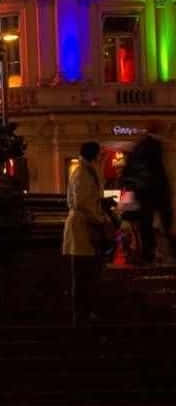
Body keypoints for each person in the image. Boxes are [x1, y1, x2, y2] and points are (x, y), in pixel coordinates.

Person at [63, 141, 113, 326]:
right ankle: (81, 314)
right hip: (83, 228)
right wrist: (100, 219)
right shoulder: (83, 172)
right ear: (93, 154)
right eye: (100, 154)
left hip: (85, 227)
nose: (101, 157)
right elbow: (82, 202)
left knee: (86, 272)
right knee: (82, 273)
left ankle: (85, 311)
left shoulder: (86, 171)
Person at [123, 126, 172, 266]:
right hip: (149, 197)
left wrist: (125, 204)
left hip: (139, 198)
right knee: (148, 227)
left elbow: (127, 178)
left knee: (140, 228)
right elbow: (158, 177)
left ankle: (143, 254)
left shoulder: (137, 151)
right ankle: (148, 254)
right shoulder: (152, 149)